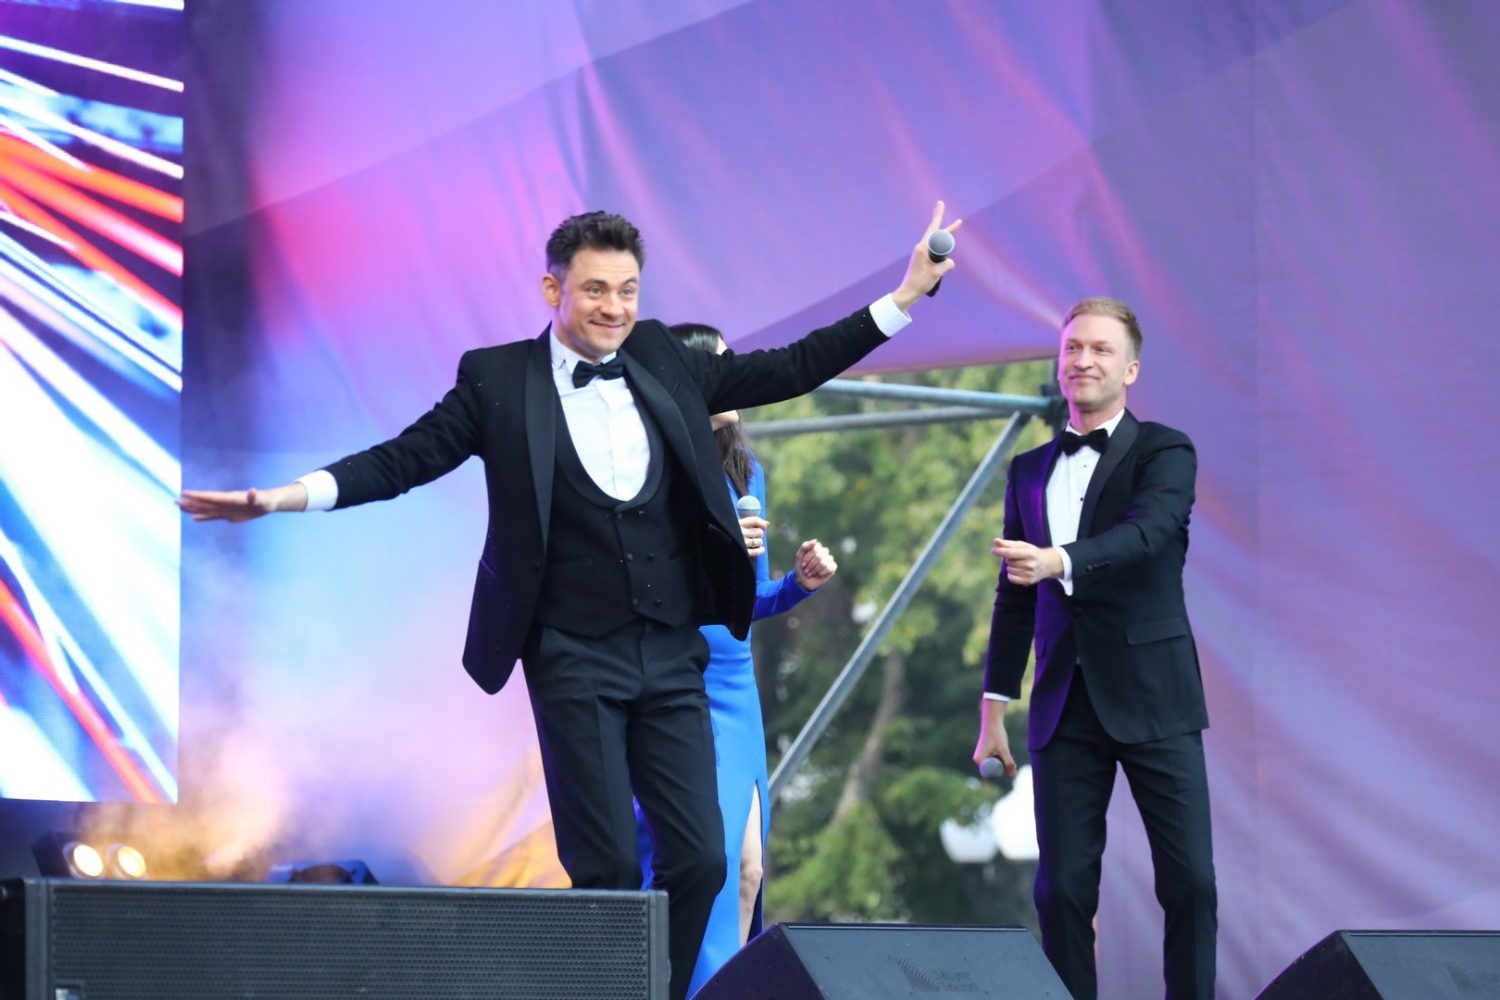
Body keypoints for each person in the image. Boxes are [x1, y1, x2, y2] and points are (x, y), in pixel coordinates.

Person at [181, 204, 958, 1000]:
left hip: (671, 652)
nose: (614, 308)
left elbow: (793, 366)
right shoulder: (497, 380)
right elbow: (405, 459)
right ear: (552, 289)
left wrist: (904, 296)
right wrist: (284, 497)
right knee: (609, 868)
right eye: (594, 290)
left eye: (628, 290)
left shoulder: (663, 357)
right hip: (573, 656)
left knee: (703, 860)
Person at [972, 297, 1215, 1000]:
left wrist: (1058, 560)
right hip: (1064, 704)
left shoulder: (1165, 451)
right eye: (1072, 348)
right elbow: (1013, 597)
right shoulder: (1027, 470)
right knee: (1063, 892)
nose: (1082, 360)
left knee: (1191, 883)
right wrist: (993, 710)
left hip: (1156, 694)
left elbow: (1148, 536)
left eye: (1101, 349)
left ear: (1130, 369)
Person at [633, 322, 836, 995]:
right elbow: (644, 590)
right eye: (719, 367)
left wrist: (798, 585)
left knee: (750, 873)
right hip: (676, 683)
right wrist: (708, 553)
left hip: (736, 690)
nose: (735, 378)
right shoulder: (650, 469)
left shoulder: (747, 473)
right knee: (711, 869)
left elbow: (746, 602)